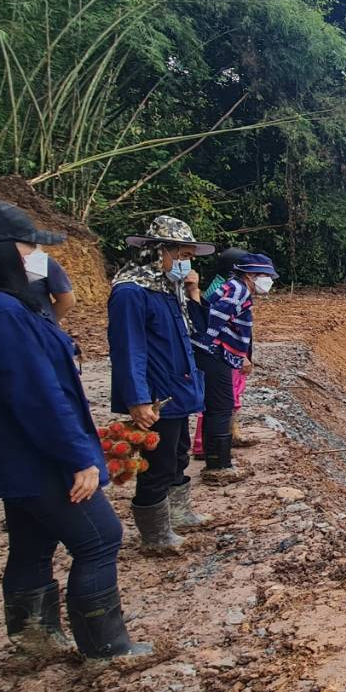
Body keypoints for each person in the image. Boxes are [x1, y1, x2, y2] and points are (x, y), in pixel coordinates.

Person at [0, 199, 149, 661]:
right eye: (28, 246)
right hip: (36, 455)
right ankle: (107, 650)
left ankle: (34, 639)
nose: (36, 257)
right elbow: (36, 394)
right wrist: (78, 457)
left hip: (13, 456)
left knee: (33, 542)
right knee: (100, 538)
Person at [108, 215, 214, 552]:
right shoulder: (130, 293)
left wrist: (194, 292)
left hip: (178, 388)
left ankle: (179, 514)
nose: (185, 263)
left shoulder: (170, 290)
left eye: (188, 257)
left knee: (178, 452)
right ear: (158, 252)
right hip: (156, 393)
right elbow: (128, 349)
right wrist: (137, 399)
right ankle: (155, 536)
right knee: (157, 463)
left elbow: (197, 334)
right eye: (180, 255)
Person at [192, 252, 278, 484]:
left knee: (218, 406)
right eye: (265, 276)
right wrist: (206, 347)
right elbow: (214, 320)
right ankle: (218, 467)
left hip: (219, 353)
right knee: (221, 407)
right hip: (215, 353)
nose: (268, 281)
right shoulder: (238, 290)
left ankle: (216, 459)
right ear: (251, 274)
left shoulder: (234, 288)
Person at [193, 247, 250, 460]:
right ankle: (205, 447)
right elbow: (216, 326)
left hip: (229, 353)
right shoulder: (226, 290)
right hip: (222, 355)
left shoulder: (224, 287)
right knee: (220, 401)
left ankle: (228, 436)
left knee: (229, 397)